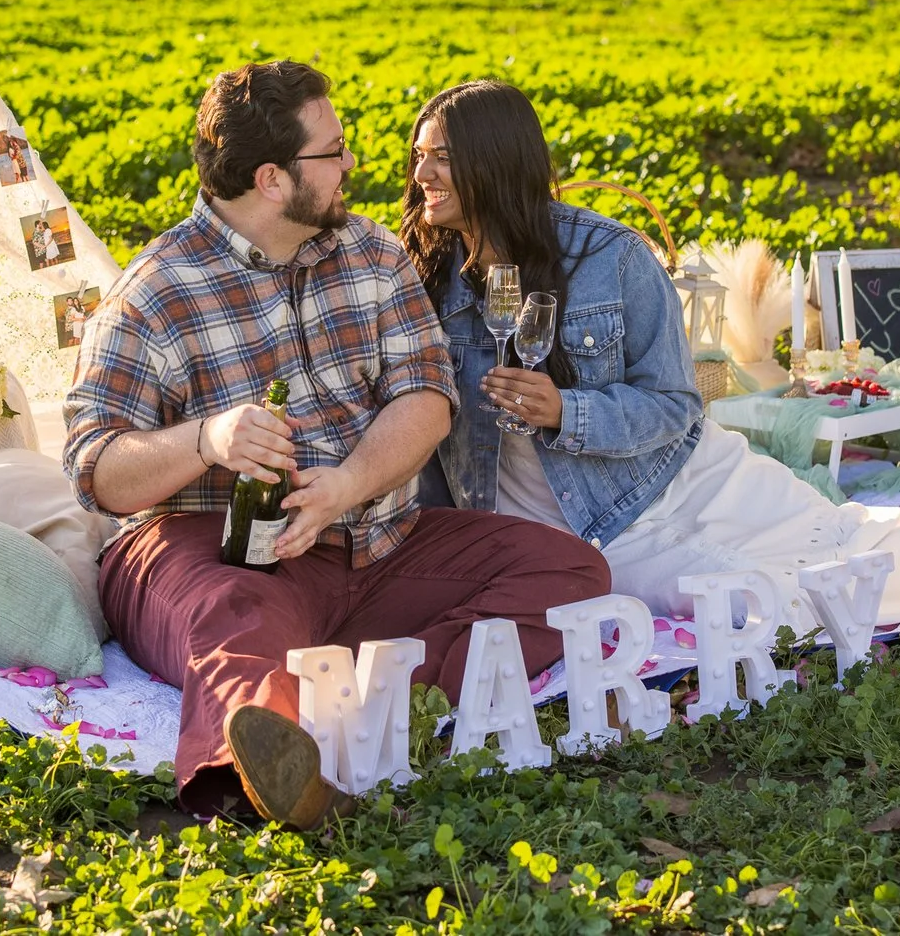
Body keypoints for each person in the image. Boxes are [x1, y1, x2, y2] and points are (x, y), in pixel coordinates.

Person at [64, 62, 609, 827]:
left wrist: (348, 485)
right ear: (273, 180)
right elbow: (98, 471)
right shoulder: (155, 291)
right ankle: (272, 776)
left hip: (378, 539)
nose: (353, 164)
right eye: (334, 151)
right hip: (218, 548)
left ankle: (370, 700)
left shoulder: (372, 253)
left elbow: (427, 395)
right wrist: (208, 439)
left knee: (566, 568)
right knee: (236, 616)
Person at [401, 80, 900, 630]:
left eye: (444, 156)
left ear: (497, 161)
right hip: (577, 529)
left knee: (846, 543)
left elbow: (675, 403)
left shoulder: (610, 259)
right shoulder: (424, 277)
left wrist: (567, 411)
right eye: (420, 155)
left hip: (678, 477)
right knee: (755, 604)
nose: (422, 172)